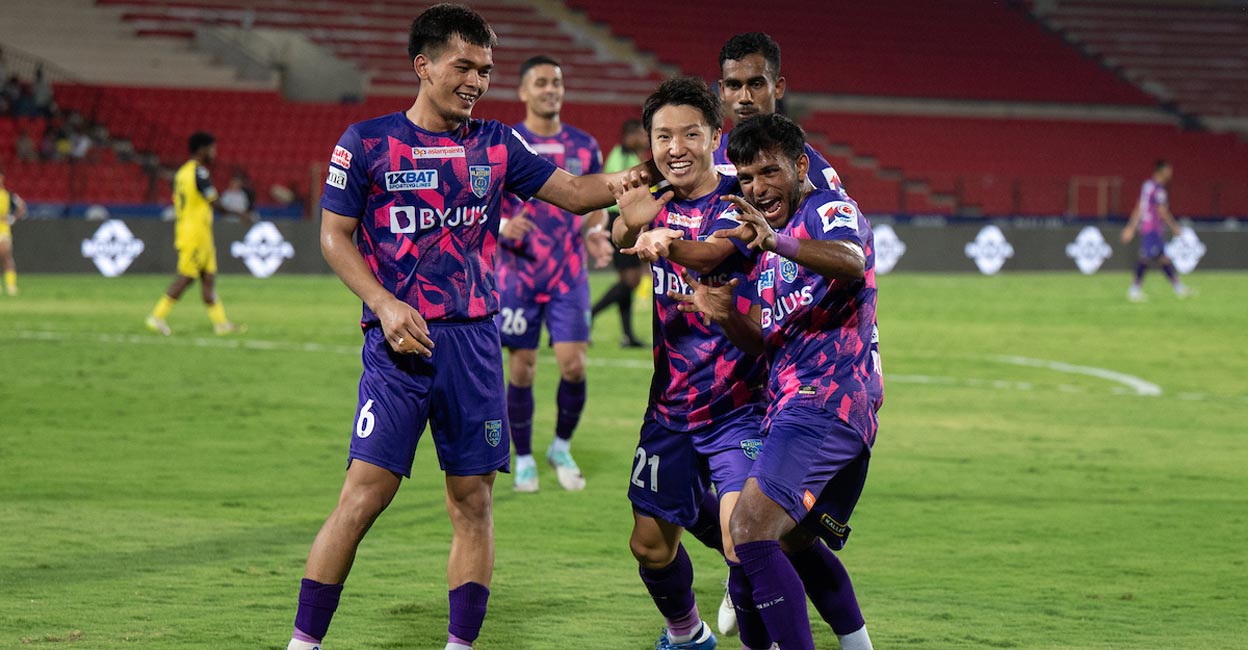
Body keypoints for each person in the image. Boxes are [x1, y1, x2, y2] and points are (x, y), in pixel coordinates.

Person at [288, 5, 646, 650]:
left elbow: (572, 191)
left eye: (485, 69)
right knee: (363, 498)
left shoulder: (498, 143)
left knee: (473, 504)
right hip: (397, 347)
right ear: (423, 66)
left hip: (476, 346)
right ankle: (304, 644)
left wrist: (631, 180)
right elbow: (334, 237)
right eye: (464, 66)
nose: (477, 80)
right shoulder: (366, 142)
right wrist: (384, 304)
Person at [671, 113, 881, 650]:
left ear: (801, 166)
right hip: (793, 404)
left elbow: (852, 261)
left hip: (825, 401)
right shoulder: (772, 247)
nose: (759, 189)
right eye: (746, 179)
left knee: (748, 532)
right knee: (793, 544)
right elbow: (766, 341)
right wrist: (721, 314)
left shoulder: (825, 211)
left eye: (770, 173)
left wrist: (775, 243)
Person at [612, 76, 770, 650]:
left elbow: (717, 252)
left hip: (742, 403)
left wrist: (665, 242)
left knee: (743, 541)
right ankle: (687, 635)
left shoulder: (741, 197)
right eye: (662, 136)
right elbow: (617, 227)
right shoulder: (659, 195)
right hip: (671, 403)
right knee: (649, 544)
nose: (675, 147)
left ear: (716, 136)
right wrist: (631, 221)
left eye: (690, 134)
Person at [496, 54, 612, 493]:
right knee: (522, 370)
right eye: (541, 82)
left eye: (557, 82)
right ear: (523, 91)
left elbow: (597, 207)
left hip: (568, 275)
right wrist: (505, 226)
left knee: (574, 366)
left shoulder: (585, 147)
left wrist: (598, 232)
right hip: (518, 275)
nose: (550, 89)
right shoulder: (505, 143)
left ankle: (560, 446)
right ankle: (523, 455)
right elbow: (479, 206)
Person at [145, 131, 250, 336]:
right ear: (202, 149)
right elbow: (215, 202)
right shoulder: (198, 172)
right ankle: (156, 317)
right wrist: (240, 214)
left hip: (198, 230)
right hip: (193, 232)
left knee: (208, 277)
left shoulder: (182, 172)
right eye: (212, 148)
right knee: (187, 276)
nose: (214, 153)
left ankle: (221, 324)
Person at [716, 32, 841, 192]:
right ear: (722, 91)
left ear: (778, 88)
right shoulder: (706, 158)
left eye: (756, 84)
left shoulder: (806, 163)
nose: (745, 97)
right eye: (734, 85)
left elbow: (844, 214)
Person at [591, 118, 650, 348]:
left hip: (629, 220)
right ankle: (590, 314)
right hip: (618, 221)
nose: (643, 139)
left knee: (631, 281)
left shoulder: (633, 157)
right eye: (639, 134)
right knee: (630, 279)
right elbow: (617, 192)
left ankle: (628, 335)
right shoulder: (620, 157)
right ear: (628, 136)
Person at [1121, 159, 1188, 301]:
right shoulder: (1158, 189)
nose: (1171, 173)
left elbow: (1139, 206)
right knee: (1145, 257)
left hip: (1148, 227)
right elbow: (1162, 210)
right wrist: (1174, 226)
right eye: (1168, 170)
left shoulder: (1147, 186)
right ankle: (1134, 290)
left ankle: (1178, 288)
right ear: (1161, 171)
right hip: (1152, 228)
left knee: (1163, 258)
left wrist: (1131, 227)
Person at [0, 168, 27, 296]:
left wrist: (12, 218)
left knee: (6, 255)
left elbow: (22, 206)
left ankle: (11, 286)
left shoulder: (8, 195)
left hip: (3, 229)